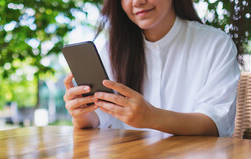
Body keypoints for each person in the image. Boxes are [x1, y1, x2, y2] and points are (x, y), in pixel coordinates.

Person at [63, 0, 240, 137]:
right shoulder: (111, 51)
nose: (137, 2)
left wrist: (152, 117)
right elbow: (101, 120)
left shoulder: (216, 44)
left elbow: (216, 124)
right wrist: (81, 114)